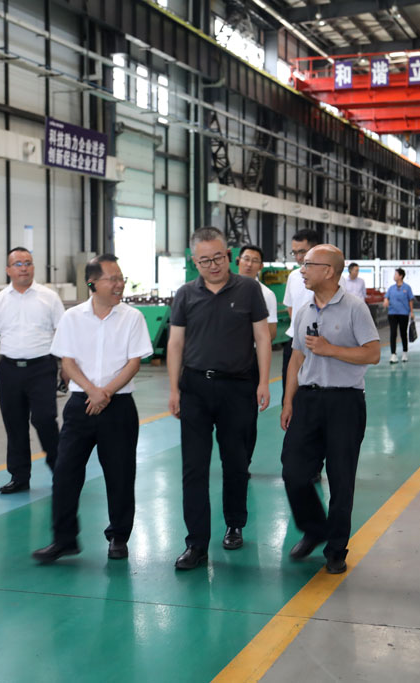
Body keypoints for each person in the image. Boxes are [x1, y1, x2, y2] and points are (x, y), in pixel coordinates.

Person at [31, 255, 152, 564]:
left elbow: (134, 363)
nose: (119, 284)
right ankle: (64, 540)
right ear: (92, 284)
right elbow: (67, 362)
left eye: (121, 278)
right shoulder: (72, 318)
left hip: (119, 406)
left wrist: (106, 392)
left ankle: (118, 537)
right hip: (80, 405)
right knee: (65, 473)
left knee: (120, 474)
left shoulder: (133, 318)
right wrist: (92, 391)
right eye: (113, 279)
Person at [167, 227, 272, 570]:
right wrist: (174, 389)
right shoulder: (185, 294)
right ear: (194, 261)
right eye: (205, 261)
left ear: (228, 255)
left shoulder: (248, 289)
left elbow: (262, 336)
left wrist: (264, 382)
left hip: (238, 388)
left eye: (218, 258)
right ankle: (196, 544)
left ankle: (234, 524)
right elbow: (176, 343)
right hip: (195, 388)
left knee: (236, 461)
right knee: (193, 468)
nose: (213, 265)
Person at [281, 244, 380, 575]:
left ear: (328, 271)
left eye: (308, 264)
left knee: (341, 478)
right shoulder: (303, 310)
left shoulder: (355, 308)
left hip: (345, 402)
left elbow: (372, 353)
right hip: (307, 400)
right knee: (294, 472)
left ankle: (336, 549)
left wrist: (330, 349)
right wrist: (288, 401)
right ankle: (314, 528)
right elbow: (296, 357)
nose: (302, 269)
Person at [0, 247, 65, 494]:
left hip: (42, 368)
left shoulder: (49, 297)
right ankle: (19, 477)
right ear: (8, 270)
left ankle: (61, 471)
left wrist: (67, 367)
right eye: (18, 264)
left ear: (33, 267)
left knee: (44, 419)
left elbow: (64, 333)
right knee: (14, 424)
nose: (23, 268)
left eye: (28, 263)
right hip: (10, 370)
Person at [282, 230, 321, 396]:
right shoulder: (293, 277)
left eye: (302, 252)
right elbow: (290, 306)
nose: (298, 257)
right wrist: (299, 328)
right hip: (295, 342)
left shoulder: (332, 277)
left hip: (321, 343)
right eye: (294, 253)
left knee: (316, 393)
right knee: (290, 392)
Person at [237, 244, 279, 341]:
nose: (249, 264)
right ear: (238, 261)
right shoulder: (226, 289)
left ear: (261, 266)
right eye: (246, 259)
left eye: (255, 261)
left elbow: (272, 332)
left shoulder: (267, 294)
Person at [383, 268, 414, 364]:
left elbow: (410, 300)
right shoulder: (391, 288)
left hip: (403, 313)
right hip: (392, 313)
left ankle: (405, 352)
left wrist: (412, 312)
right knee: (393, 333)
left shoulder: (407, 288)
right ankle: (393, 354)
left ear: (400, 276)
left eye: (396, 274)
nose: (394, 276)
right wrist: (386, 300)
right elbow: (386, 297)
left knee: (403, 333)